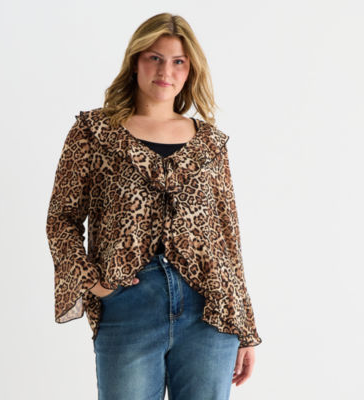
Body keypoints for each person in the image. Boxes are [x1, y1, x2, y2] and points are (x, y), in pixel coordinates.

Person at [46, 12, 262, 400]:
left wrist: (244, 327)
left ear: (190, 70)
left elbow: (228, 237)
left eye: (178, 61)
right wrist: (94, 283)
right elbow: (62, 218)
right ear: (135, 62)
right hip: (129, 305)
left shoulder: (210, 144)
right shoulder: (94, 132)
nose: (166, 71)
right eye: (155, 58)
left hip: (210, 311)